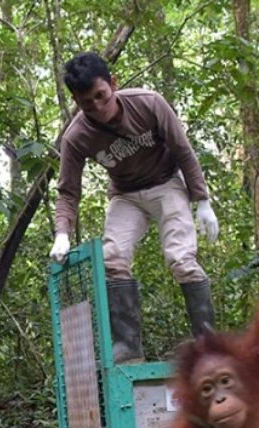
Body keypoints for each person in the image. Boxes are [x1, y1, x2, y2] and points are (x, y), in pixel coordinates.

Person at [49, 52, 219, 364]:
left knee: (181, 258)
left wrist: (202, 201)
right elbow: (68, 191)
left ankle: (207, 342)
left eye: (102, 96)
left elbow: (183, 150)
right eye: (88, 103)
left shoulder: (148, 103)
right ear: (76, 100)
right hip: (126, 195)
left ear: (112, 84)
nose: (98, 108)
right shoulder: (76, 137)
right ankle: (127, 347)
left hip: (167, 183)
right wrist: (62, 232)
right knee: (112, 257)